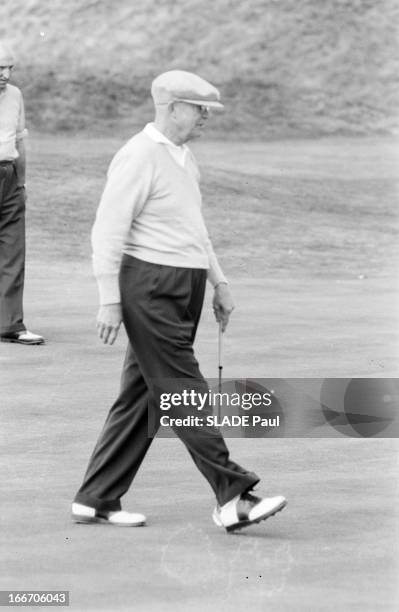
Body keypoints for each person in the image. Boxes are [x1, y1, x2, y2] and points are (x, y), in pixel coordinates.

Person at [72, 70, 286, 531]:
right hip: (149, 286)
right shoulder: (138, 155)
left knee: (144, 395)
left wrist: (219, 283)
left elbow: (195, 230)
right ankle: (233, 496)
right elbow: (107, 231)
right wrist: (109, 299)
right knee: (183, 389)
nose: (206, 117)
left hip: (183, 285)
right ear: (172, 108)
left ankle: (96, 497)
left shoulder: (184, 158)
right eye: (199, 108)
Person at [0, 41, 44, 345]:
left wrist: (22, 182)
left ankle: (10, 324)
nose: (5, 74)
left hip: (9, 177)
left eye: (9, 68)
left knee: (13, 253)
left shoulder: (15, 95)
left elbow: (20, 140)